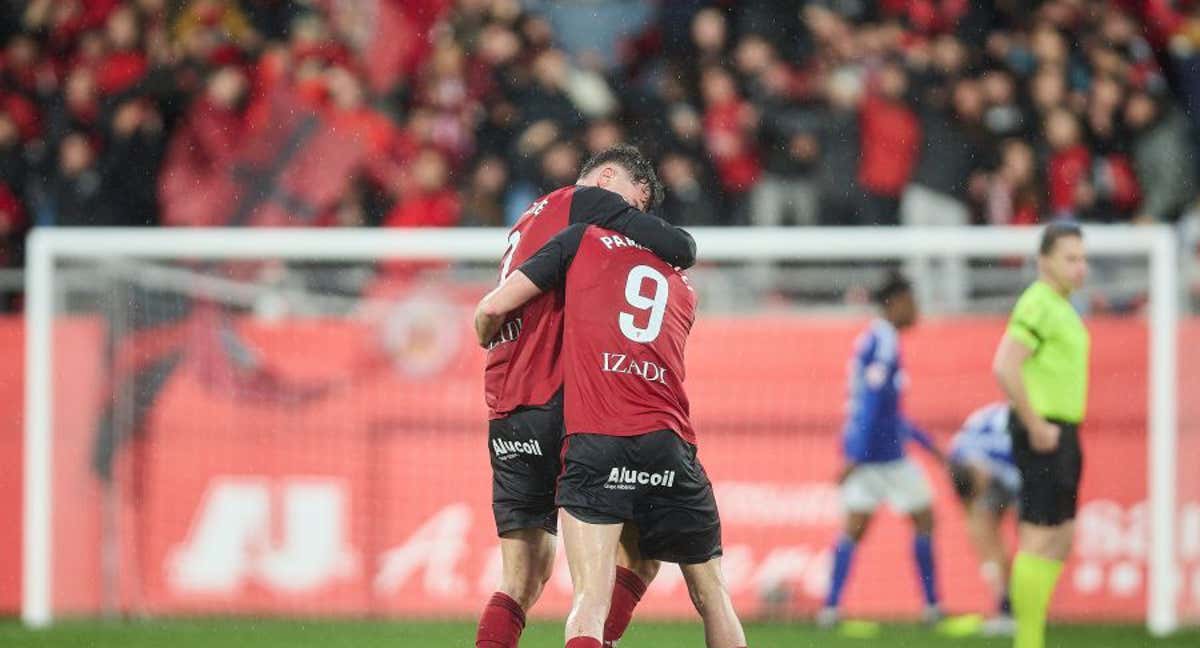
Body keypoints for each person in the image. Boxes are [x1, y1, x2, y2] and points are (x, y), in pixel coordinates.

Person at [475, 223, 747, 648]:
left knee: (588, 600)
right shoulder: (683, 288)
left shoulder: (588, 254)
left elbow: (499, 309)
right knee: (712, 594)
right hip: (670, 444)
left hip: (597, 438)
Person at [819, 272, 944, 628]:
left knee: (855, 529)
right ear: (896, 303)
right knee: (924, 520)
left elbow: (886, 412)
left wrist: (929, 446)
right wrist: (854, 456)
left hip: (874, 453)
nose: (917, 310)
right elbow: (872, 404)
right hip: (882, 458)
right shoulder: (885, 342)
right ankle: (932, 606)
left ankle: (830, 609)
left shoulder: (873, 339)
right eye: (912, 302)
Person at [992, 222, 1089, 648]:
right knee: (1038, 535)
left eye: (1082, 258)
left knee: (1061, 535)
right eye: (1070, 258)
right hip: (1043, 429)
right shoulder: (1038, 303)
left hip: (1062, 429)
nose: (1080, 267)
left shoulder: (1063, 306)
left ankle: (1033, 633)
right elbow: (1005, 364)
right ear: (1044, 261)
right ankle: (1027, 641)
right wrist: (1034, 424)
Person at [947, 402, 1021, 636]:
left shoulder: (1009, 451)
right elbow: (968, 500)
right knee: (982, 532)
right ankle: (1004, 606)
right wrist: (992, 560)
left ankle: (1028, 607)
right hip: (993, 471)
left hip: (1027, 470)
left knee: (1032, 539)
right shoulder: (959, 454)